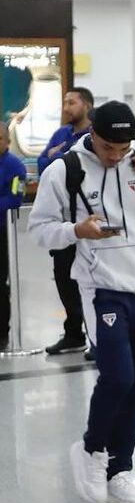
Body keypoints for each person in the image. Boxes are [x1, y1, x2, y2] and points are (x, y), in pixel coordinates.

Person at [28, 100, 135, 503]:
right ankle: (90, 449)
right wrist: (76, 230)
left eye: (124, 148)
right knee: (118, 377)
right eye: (108, 147)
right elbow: (39, 230)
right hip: (100, 287)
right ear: (93, 134)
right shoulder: (64, 170)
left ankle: (120, 471)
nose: (116, 155)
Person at [38, 86, 94, 356]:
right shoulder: (62, 134)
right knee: (64, 278)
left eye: (72, 102)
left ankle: (99, 337)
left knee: (92, 284)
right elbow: (42, 164)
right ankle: (74, 333)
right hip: (61, 223)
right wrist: (58, 160)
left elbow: (79, 170)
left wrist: (57, 158)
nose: (66, 107)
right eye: (65, 102)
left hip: (87, 221)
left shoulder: (94, 136)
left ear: (87, 105)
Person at [0, 124, 28, 352]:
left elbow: (14, 199)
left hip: (2, 232)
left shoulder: (15, 167)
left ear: (7, 142)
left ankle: (2, 332)